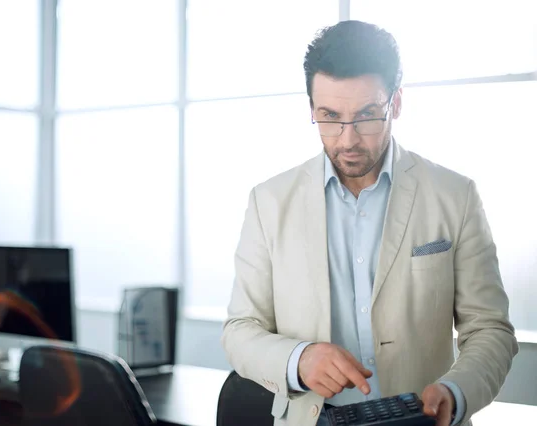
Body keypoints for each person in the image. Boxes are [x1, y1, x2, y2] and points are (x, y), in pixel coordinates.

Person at [221, 20, 518, 426]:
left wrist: (456, 389)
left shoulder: (455, 194)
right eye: (329, 117)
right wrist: (298, 358)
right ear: (310, 108)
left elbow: (490, 329)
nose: (347, 139)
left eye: (366, 116)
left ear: (395, 104)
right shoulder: (269, 201)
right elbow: (240, 330)